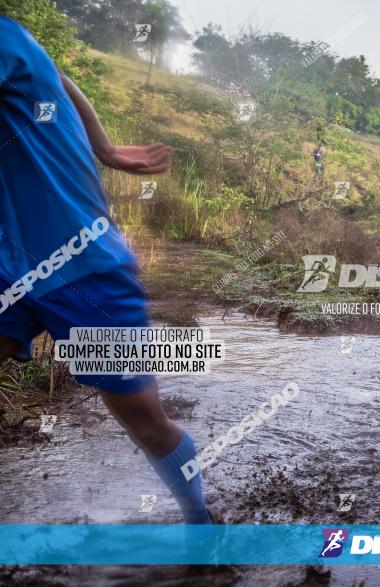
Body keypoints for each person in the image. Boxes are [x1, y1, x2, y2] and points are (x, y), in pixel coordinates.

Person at [0, 16, 215, 524]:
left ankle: (201, 524)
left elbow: (55, 77)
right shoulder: (17, 41)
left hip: (85, 268)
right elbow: (61, 78)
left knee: (146, 423)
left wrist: (107, 151)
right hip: (10, 268)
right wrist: (107, 149)